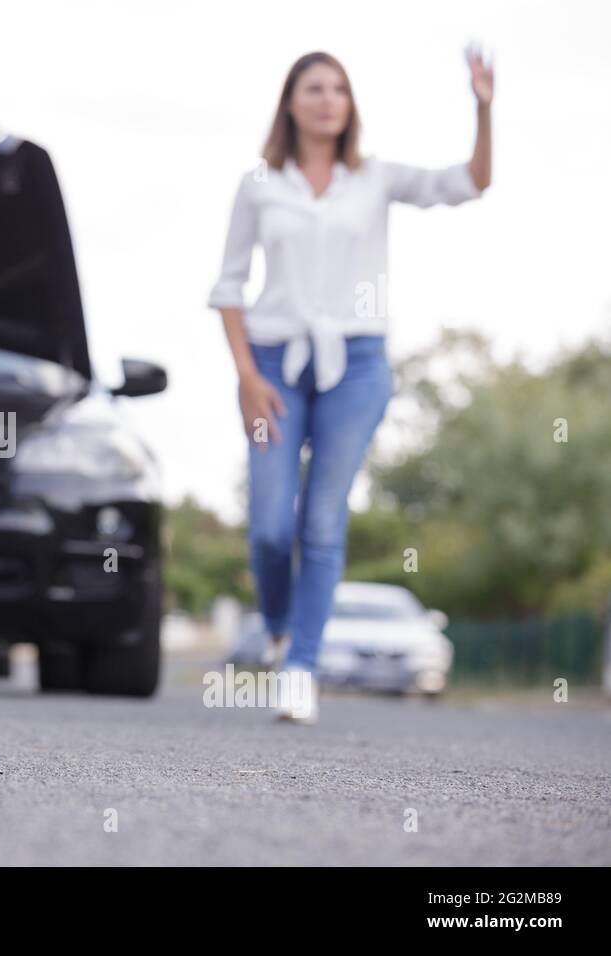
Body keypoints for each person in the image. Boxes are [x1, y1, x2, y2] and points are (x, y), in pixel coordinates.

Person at [208, 48, 493, 722]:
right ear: (291, 102)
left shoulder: (375, 178)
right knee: (273, 526)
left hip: (357, 365)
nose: (328, 99)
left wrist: (483, 107)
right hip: (272, 365)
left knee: (323, 520)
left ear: (349, 105)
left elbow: (471, 182)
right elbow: (227, 286)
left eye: (339, 88)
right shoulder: (260, 184)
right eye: (314, 88)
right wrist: (246, 375)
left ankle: (301, 668)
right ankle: (279, 628)